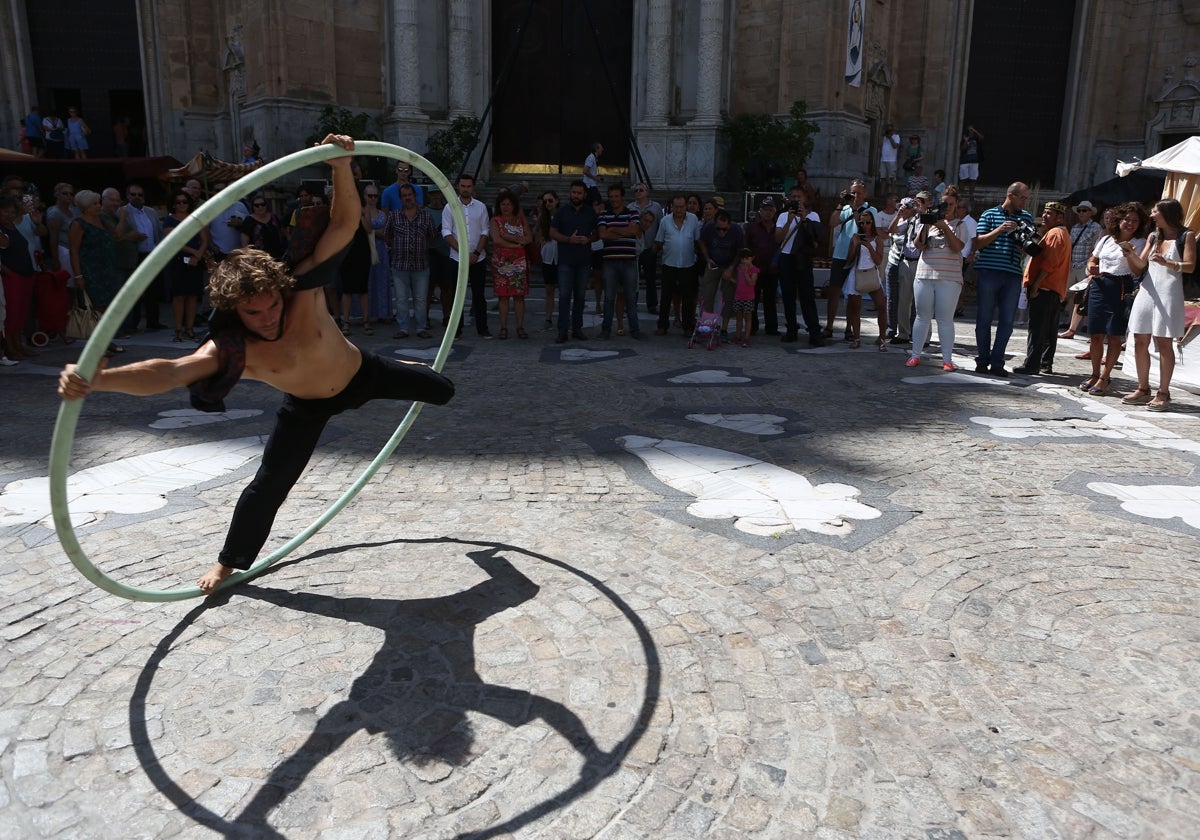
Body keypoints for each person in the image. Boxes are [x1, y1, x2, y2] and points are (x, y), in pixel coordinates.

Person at [57, 135, 455, 596]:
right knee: (269, 485)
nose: (268, 318)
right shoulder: (231, 348)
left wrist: (342, 164)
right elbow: (169, 372)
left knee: (444, 390)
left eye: (271, 307)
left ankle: (407, 367)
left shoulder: (302, 291)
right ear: (234, 311)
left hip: (362, 373)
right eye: (254, 313)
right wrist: (97, 379)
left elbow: (346, 223)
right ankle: (229, 563)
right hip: (305, 405)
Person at [1121, 199, 1195, 411]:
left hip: (1169, 292)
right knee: (1139, 338)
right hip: (1147, 291)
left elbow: (1190, 266)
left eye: (1155, 211)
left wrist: (1168, 262)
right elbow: (1140, 266)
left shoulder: (1186, 235)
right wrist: (1129, 255)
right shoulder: (1153, 236)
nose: (1151, 215)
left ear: (1167, 213)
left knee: (1164, 342)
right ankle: (1143, 388)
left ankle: (1163, 392)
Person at [1079, 202, 1148, 396]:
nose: (1130, 223)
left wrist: (1130, 254)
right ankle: (1094, 373)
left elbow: (1137, 270)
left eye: (1135, 220)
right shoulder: (1106, 239)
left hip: (1120, 287)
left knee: (1114, 335)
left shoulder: (1140, 242)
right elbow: (1093, 259)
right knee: (1095, 334)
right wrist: (1090, 270)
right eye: (1127, 219)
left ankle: (1105, 376)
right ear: (1119, 220)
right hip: (1099, 286)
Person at [972, 181, 1033, 376]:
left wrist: (1022, 241)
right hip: (989, 272)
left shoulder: (1026, 218)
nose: (1024, 202)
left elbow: (1028, 247)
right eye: (1022, 198)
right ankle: (982, 360)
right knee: (984, 319)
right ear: (1011, 196)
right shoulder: (989, 214)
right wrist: (999, 230)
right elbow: (978, 243)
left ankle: (997, 362)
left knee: (1007, 322)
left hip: (1013, 274)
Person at [908, 186, 967, 370]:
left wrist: (944, 227)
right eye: (945, 203)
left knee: (945, 319)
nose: (947, 207)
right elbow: (918, 245)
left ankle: (947, 360)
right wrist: (927, 223)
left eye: (951, 204)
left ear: (956, 205)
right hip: (925, 274)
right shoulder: (929, 223)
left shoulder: (960, 225)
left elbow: (958, 247)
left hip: (949, 278)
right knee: (921, 317)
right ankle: (915, 355)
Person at [1013, 201, 1071, 376]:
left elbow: (1049, 264)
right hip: (1053, 289)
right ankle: (1046, 363)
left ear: (1059, 217)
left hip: (1045, 288)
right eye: (1044, 212)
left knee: (1037, 328)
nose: (1045, 216)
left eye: (1049, 213)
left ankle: (1032, 364)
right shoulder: (1062, 233)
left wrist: (1036, 285)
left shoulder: (1054, 234)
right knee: (1049, 330)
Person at [385, 183, 436, 339]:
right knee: (401, 299)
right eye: (404, 196)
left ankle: (421, 327)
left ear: (415, 196)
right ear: (401, 198)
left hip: (421, 265)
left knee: (420, 299)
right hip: (400, 264)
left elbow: (432, 235)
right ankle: (404, 328)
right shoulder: (394, 216)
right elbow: (387, 236)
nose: (408, 198)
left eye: (410, 195)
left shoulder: (426, 216)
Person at [442, 174, 491, 339]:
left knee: (479, 294)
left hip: (479, 258)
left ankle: (482, 328)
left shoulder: (481, 207)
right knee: (457, 295)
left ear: (473, 188)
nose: (465, 189)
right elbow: (446, 232)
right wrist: (463, 252)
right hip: (457, 258)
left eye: (469, 186)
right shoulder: (450, 207)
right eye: (463, 186)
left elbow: (485, 231)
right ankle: (456, 330)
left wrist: (476, 253)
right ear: (458, 187)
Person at [775, 187, 824, 345]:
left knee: (807, 297)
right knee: (788, 297)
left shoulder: (812, 215)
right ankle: (791, 330)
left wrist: (804, 220)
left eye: (799, 197)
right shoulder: (783, 216)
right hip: (787, 258)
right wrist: (790, 220)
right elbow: (777, 238)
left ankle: (814, 333)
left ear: (804, 198)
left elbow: (816, 237)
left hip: (803, 258)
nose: (796, 199)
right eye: (793, 196)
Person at [551, 180, 598, 343]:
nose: (576, 195)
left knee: (580, 296)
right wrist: (568, 239)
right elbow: (552, 232)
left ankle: (577, 328)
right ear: (570, 193)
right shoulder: (562, 211)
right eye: (573, 192)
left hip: (584, 261)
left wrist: (589, 239)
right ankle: (562, 331)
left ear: (584, 195)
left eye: (579, 193)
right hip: (565, 260)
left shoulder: (590, 212)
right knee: (564, 296)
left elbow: (598, 232)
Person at [826, 179, 875, 339]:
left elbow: (862, 225)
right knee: (834, 291)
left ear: (865, 194)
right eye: (852, 192)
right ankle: (829, 327)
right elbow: (832, 223)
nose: (855, 195)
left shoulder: (871, 210)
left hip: (858, 256)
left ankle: (849, 328)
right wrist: (841, 204)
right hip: (840, 254)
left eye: (858, 193)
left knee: (854, 296)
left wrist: (854, 209)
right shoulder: (845, 208)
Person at [161, 190, 210, 342]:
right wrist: (195, 252)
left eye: (185, 202)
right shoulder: (169, 221)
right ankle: (178, 329)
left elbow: (204, 239)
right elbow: (174, 240)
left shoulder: (196, 219)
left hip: (195, 261)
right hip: (178, 261)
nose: (182, 205)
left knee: (193, 296)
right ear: (173, 205)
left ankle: (189, 328)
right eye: (178, 202)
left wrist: (198, 255)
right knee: (179, 296)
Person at [598, 184, 642, 340]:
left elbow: (634, 231)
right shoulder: (603, 214)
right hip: (610, 262)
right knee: (609, 297)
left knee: (631, 297)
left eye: (616, 196)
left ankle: (635, 330)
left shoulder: (633, 212)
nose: (614, 199)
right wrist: (624, 230)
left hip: (629, 260)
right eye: (611, 197)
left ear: (622, 197)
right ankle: (606, 330)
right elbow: (602, 234)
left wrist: (613, 230)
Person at [842, 208, 888, 350]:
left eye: (868, 222)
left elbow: (878, 261)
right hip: (856, 273)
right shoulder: (855, 237)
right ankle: (856, 338)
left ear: (873, 222)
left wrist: (868, 246)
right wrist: (855, 244)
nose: (865, 225)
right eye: (862, 222)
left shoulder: (877, 239)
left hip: (871, 274)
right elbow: (848, 259)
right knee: (855, 308)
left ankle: (882, 338)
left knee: (881, 306)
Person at [654, 194, 700, 337]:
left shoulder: (693, 220)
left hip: (688, 264)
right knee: (666, 297)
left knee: (687, 297)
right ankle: (662, 325)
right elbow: (659, 241)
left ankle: (688, 326)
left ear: (686, 206)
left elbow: (697, 240)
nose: (679, 210)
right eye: (676, 207)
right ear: (672, 207)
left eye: (682, 206)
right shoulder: (665, 221)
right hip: (669, 263)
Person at [490, 190, 532, 339]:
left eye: (509, 204)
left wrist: (509, 237)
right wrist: (516, 244)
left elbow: (528, 238)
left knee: (519, 296)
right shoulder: (495, 220)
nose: (506, 207)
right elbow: (497, 240)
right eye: (503, 204)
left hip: (519, 263)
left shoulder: (520, 220)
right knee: (503, 297)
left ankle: (520, 327)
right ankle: (503, 327)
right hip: (502, 263)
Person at [1058, 200, 1103, 340]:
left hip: (1085, 264)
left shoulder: (1095, 227)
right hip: (1073, 264)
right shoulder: (1075, 227)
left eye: (1085, 210)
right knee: (1071, 294)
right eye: (1080, 210)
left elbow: (1095, 248)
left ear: (1090, 213)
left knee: (1084, 296)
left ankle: (1084, 324)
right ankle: (1069, 323)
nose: (1082, 213)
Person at [744, 197, 779, 336]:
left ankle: (771, 327)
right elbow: (746, 245)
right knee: (753, 298)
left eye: (771, 210)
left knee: (770, 299)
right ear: (760, 211)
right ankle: (752, 326)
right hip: (755, 269)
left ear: (774, 212)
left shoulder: (779, 227)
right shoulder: (752, 227)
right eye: (765, 210)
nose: (768, 213)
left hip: (772, 268)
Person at [628, 183, 662, 314]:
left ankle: (652, 305)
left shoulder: (656, 207)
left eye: (641, 190)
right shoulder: (630, 207)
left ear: (647, 192)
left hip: (649, 247)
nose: (638, 192)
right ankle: (631, 303)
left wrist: (657, 245)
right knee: (632, 278)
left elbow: (661, 226)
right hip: (634, 248)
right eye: (636, 190)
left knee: (651, 278)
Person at [362, 184, 392, 324]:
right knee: (365, 282)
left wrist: (374, 232)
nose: (373, 198)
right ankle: (365, 314)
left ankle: (382, 312)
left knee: (381, 281)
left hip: (380, 250)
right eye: (370, 195)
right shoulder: (360, 212)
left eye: (375, 196)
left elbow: (386, 234)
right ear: (364, 196)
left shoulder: (382, 214)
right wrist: (376, 232)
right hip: (364, 249)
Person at [534, 191, 559, 330]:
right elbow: (536, 233)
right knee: (549, 289)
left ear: (556, 201)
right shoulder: (543, 217)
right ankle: (548, 317)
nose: (548, 204)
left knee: (566, 289)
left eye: (550, 200)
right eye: (545, 201)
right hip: (548, 256)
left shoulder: (562, 215)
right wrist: (541, 240)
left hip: (562, 256)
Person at [240, 194, 286, 259]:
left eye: (263, 204)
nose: (260, 207)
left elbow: (282, 233)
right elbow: (245, 242)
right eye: (257, 205)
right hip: (259, 258)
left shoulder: (273, 217)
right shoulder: (248, 221)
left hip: (277, 256)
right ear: (253, 207)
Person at [732, 248, 758, 346]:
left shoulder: (754, 270)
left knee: (748, 318)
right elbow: (738, 282)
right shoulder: (739, 269)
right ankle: (738, 336)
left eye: (747, 258)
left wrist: (746, 272)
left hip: (748, 298)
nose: (744, 261)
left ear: (752, 258)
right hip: (738, 297)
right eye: (742, 259)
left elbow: (751, 282)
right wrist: (731, 279)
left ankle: (746, 338)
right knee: (738, 318)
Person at [959, 125, 984, 205]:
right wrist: (966, 141)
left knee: (973, 179)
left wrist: (974, 130)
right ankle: (960, 195)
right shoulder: (964, 138)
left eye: (972, 131)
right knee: (963, 179)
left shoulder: (976, 139)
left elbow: (982, 137)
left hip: (974, 161)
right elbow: (962, 149)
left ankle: (971, 196)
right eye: (970, 131)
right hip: (965, 161)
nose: (971, 132)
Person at [880, 125, 901, 193]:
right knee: (883, 177)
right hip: (883, 159)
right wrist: (882, 136)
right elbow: (879, 145)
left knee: (892, 178)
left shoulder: (896, 136)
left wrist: (890, 138)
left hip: (892, 160)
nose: (889, 132)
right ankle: (882, 193)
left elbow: (895, 146)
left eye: (890, 130)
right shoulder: (884, 137)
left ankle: (893, 193)